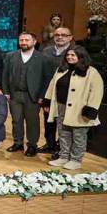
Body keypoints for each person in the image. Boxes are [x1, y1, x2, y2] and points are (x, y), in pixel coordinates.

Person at [44, 47, 104, 170]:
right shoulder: (61, 69)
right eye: (68, 55)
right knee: (63, 133)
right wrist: (47, 102)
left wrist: (91, 108)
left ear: (81, 56)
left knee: (78, 136)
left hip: (79, 109)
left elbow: (97, 91)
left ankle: (76, 160)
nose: (69, 57)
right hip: (61, 107)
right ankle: (63, 156)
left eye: (73, 55)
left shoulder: (91, 72)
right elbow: (52, 85)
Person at [2, 32, 49, 157]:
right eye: (21, 40)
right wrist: (6, 92)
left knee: (32, 121)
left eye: (27, 40)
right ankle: (18, 143)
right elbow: (5, 75)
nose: (23, 42)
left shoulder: (42, 58)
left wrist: (42, 96)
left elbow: (46, 79)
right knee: (16, 120)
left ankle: (32, 145)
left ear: (34, 42)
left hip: (33, 96)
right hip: (15, 94)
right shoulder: (10, 56)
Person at [40, 27, 75, 156]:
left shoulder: (74, 52)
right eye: (57, 35)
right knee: (48, 119)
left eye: (64, 35)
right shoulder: (46, 51)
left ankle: (62, 148)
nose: (60, 37)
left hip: (66, 93)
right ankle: (50, 144)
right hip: (48, 91)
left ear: (70, 37)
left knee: (64, 121)